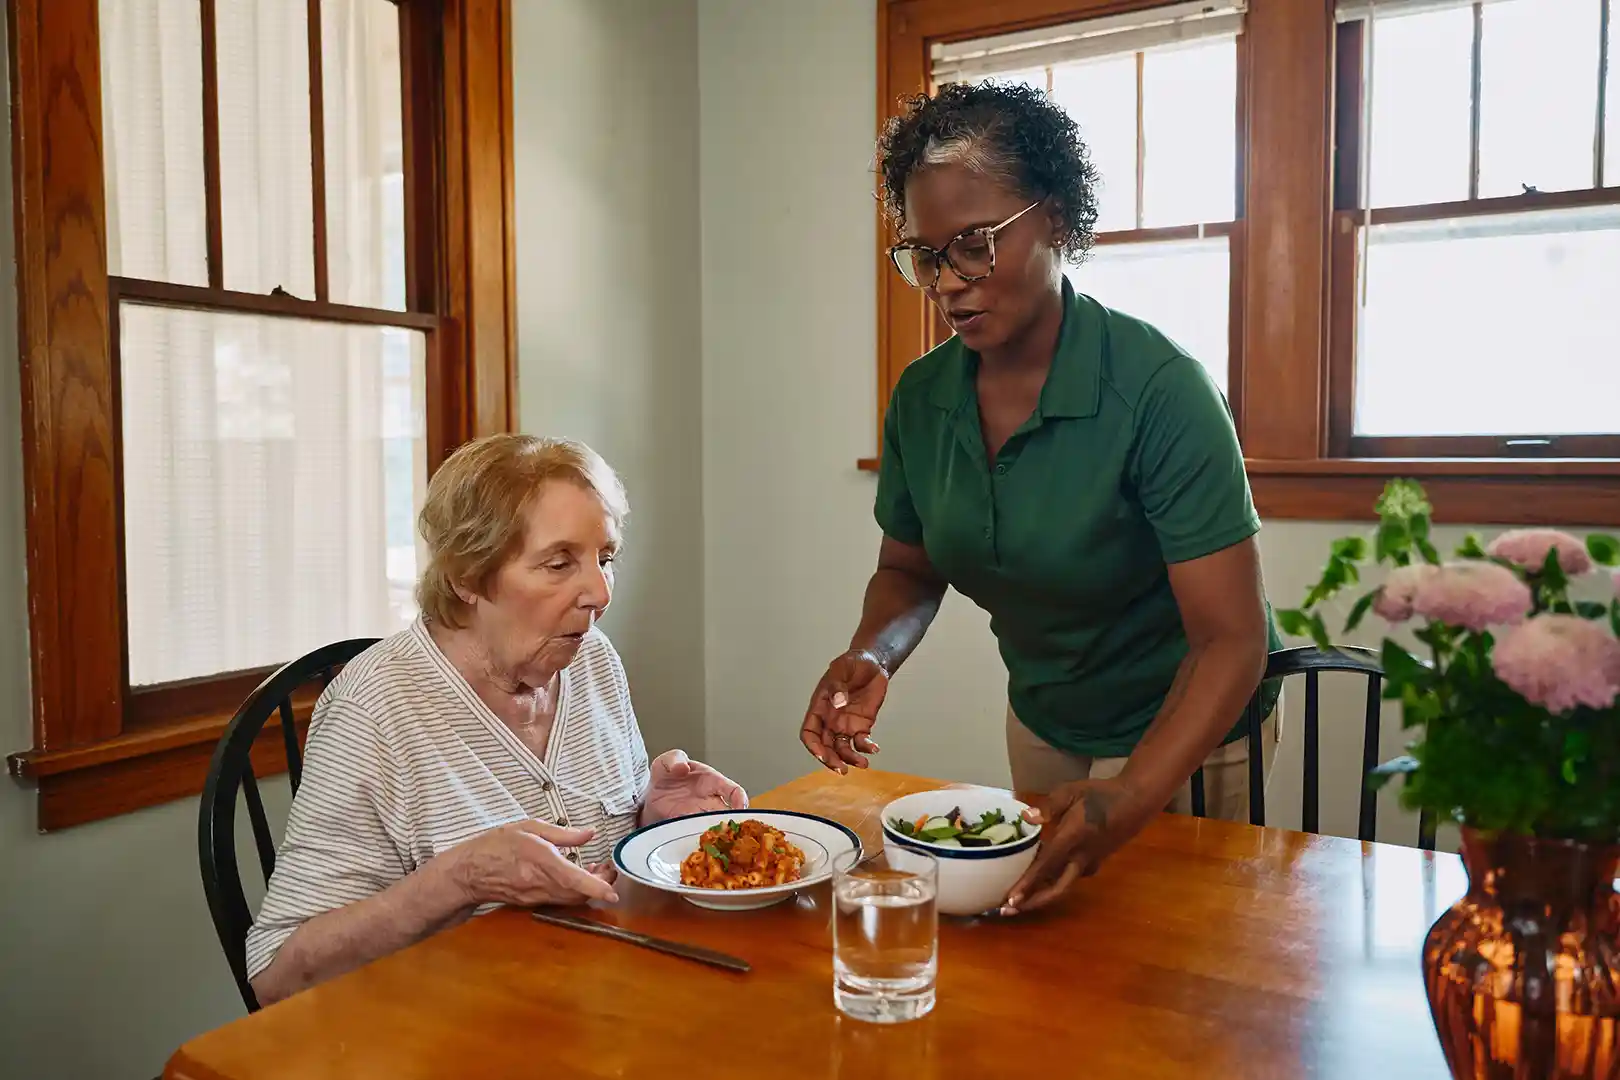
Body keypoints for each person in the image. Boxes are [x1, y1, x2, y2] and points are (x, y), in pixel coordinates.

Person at [799, 81, 1282, 916]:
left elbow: (1229, 641)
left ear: (1054, 219)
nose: (949, 282)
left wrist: (1132, 794)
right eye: (927, 255)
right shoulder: (923, 399)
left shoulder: (1160, 391)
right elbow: (910, 569)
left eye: (975, 245)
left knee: (1175, 957)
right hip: (1045, 718)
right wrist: (873, 654)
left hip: (1187, 729)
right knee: (1048, 946)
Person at [246, 434, 744, 1005]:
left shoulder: (593, 660)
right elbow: (276, 978)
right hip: (454, 1027)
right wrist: (459, 880)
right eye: (559, 563)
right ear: (467, 576)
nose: (600, 592)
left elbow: (602, 870)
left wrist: (652, 819)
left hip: (599, 1000)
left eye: (605, 559)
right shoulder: (375, 710)